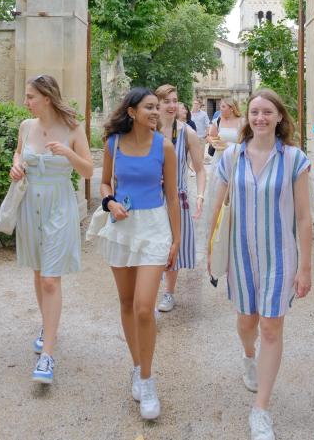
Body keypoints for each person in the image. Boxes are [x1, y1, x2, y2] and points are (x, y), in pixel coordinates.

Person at [207, 88, 312, 440]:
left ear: (280, 117)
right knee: (246, 321)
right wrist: (211, 250)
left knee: (271, 327)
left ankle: (261, 410)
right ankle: (247, 355)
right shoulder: (232, 156)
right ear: (247, 118)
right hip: (239, 255)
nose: (261, 118)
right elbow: (217, 208)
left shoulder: (295, 159)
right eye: (255, 112)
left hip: (279, 257)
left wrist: (306, 267)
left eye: (268, 112)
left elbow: (303, 218)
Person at [88, 87, 180, 420]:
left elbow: (172, 196)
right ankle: (137, 365)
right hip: (122, 228)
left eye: (158, 107)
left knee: (144, 307)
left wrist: (176, 240)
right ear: (132, 112)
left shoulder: (165, 147)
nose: (157, 112)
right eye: (150, 107)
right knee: (126, 303)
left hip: (155, 228)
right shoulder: (113, 143)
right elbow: (105, 184)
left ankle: (148, 378)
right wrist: (109, 201)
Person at [10, 74, 93, 384]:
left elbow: (87, 170)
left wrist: (69, 153)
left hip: (59, 203)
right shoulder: (26, 127)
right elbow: (19, 154)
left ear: (46, 97)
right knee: (37, 271)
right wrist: (16, 165)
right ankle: (47, 324)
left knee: (49, 278)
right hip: (30, 202)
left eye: (30, 96)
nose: (26, 101)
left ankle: (48, 355)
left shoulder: (73, 128)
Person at [156, 85, 205, 313]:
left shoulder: (187, 132)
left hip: (178, 196)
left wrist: (201, 195)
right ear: (157, 104)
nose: (172, 105)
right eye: (167, 101)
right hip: (152, 198)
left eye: (175, 101)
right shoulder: (147, 131)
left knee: (173, 246)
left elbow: (200, 169)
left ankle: (169, 292)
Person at [205, 98, 243, 233]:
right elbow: (209, 136)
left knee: (234, 191)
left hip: (236, 159)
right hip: (219, 159)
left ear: (232, 108)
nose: (220, 109)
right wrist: (213, 142)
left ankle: (234, 220)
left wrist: (231, 146)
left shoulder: (242, 122)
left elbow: (246, 142)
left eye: (223, 107)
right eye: (220, 107)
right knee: (217, 190)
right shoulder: (218, 121)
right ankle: (218, 222)